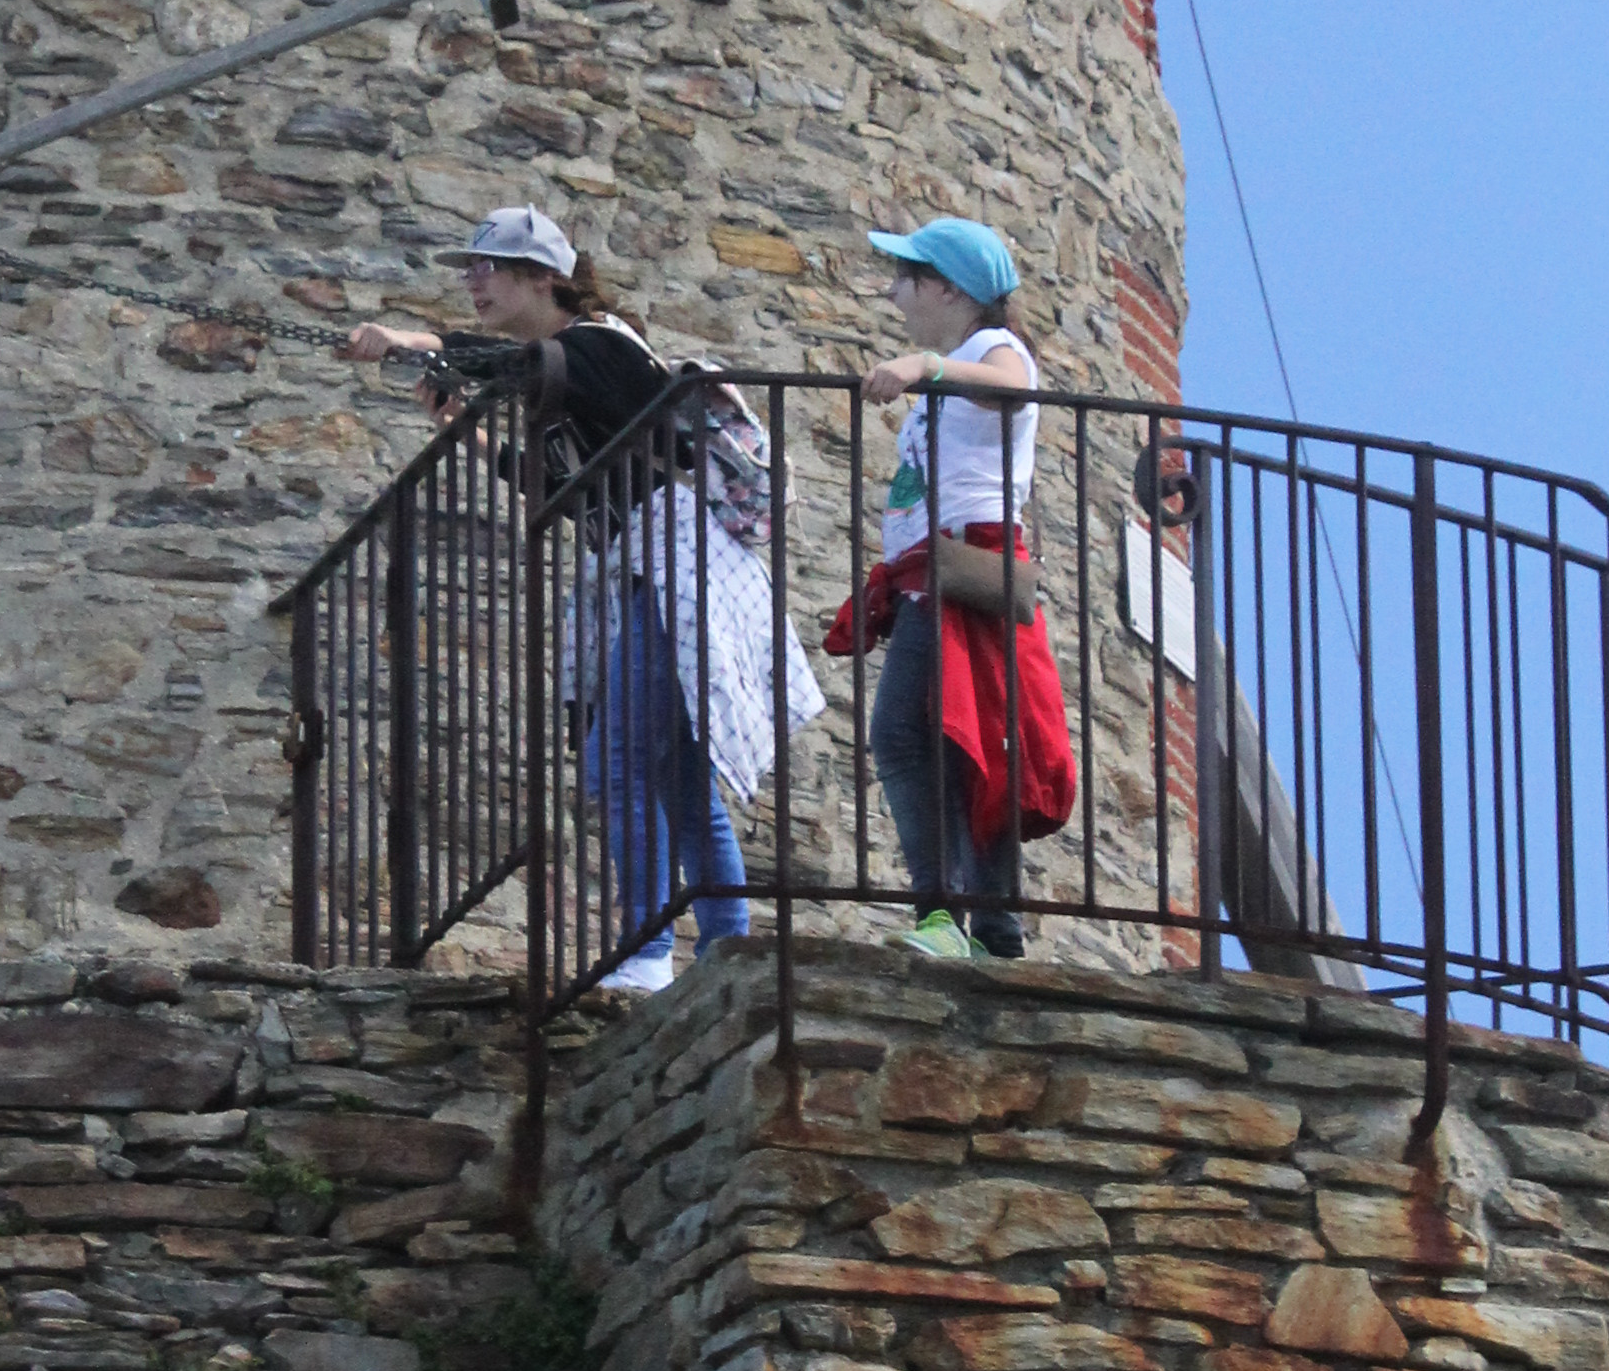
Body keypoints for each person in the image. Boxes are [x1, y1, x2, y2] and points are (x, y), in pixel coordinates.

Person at [345, 206, 821, 993]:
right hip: (651, 567)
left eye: (487, 267)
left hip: (675, 562)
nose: (473, 282)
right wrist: (465, 427)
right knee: (678, 776)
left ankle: (649, 952)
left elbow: (508, 362)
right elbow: (553, 485)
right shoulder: (563, 378)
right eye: (470, 269)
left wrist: (408, 339)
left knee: (617, 759)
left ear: (543, 278)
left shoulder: (602, 347)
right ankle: (724, 954)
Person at [826, 217, 1075, 960]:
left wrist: (923, 366)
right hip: (934, 573)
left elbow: (1012, 388)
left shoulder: (992, 347)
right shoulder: (965, 355)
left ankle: (952, 914)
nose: (894, 292)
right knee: (956, 741)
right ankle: (985, 925)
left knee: (922, 737)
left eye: (905, 277)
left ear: (947, 289)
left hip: (965, 568)